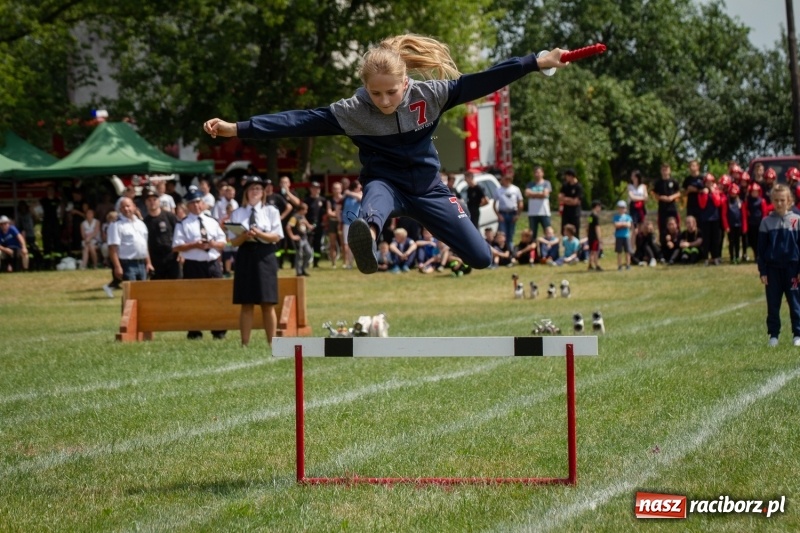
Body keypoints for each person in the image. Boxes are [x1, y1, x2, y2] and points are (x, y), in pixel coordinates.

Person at [203, 34, 569, 274]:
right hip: (386, 184)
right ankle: (369, 238)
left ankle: (387, 233)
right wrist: (239, 128)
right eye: (375, 94)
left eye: (391, 92)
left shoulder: (431, 94)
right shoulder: (352, 111)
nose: (383, 102)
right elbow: (297, 120)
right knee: (375, 195)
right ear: (365, 88)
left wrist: (534, 63)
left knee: (482, 258)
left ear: (405, 82)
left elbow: (483, 80)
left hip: (430, 190)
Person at [228, 176, 284, 346]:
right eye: (252, 188)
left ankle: (272, 343)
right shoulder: (238, 212)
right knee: (246, 302)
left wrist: (259, 234)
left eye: (258, 189)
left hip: (265, 256)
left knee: (267, 302)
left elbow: (276, 236)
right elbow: (233, 241)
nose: (255, 192)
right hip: (245, 255)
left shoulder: (271, 211)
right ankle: (244, 343)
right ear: (246, 192)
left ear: (263, 193)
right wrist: (244, 236)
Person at [172, 188, 227, 340]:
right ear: (187, 206)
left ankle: (219, 330)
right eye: (192, 203)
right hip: (193, 264)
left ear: (203, 203)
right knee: (193, 298)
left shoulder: (212, 221)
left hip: (212, 263)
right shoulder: (183, 224)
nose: (196, 206)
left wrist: (213, 244)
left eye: (198, 202)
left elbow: (223, 243)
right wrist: (194, 245)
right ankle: (194, 330)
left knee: (217, 297)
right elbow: (176, 246)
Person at [757, 184, 800, 347]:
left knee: (795, 303)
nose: (779, 203)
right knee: (773, 304)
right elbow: (761, 250)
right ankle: (773, 335)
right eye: (776, 200)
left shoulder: (797, 221)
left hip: (793, 271)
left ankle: (798, 334)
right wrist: (763, 271)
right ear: (772, 201)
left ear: (789, 201)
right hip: (773, 271)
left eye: (782, 200)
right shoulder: (766, 223)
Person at [107, 197, 152, 293]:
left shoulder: (140, 224)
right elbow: (112, 248)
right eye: (123, 207)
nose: (126, 209)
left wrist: (148, 263)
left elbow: (144, 245)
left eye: (128, 206)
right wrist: (117, 266)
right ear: (120, 210)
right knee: (131, 294)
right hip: (128, 264)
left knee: (143, 293)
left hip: (142, 264)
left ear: (134, 207)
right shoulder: (116, 225)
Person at [142, 186, 180, 280]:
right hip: (155, 260)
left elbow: (179, 235)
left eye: (154, 199)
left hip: (172, 258)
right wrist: (148, 262)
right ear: (145, 202)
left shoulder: (169, 216)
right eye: (149, 200)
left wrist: (181, 253)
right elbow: (144, 243)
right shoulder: (144, 222)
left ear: (159, 201)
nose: (152, 202)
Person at [651, 162, 681, 243]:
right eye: (663, 170)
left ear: (669, 170)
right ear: (661, 171)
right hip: (662, 208)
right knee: (663, 227)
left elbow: (679, 193)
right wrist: (661, 198)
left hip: (672, 208)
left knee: (675, 225)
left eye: (666, 169)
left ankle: (677, 243)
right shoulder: (658, 182)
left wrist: (671, 197)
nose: (665, 171)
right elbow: (653, 193)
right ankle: (663, 244)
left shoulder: (673, 181)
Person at [286, 202, 314, 276]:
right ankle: (298, 272)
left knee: (309, 253)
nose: (306, 211)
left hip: (304, 238)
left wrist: (309, 226)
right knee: (299, 255)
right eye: (305, 210)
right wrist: (292, 236)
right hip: (298, 240)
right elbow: (288, 227)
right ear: (301, 210)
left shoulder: (302, 216)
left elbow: (305, 223)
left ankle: (303, 269)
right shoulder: (294, 217)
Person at [304, 181, 328, 268]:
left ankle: (316, 263)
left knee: (317, 244)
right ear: (310, 189)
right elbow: (303, 214)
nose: (316, 190)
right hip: (309, 225)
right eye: (314, 188)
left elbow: (327, 213)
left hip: (319, 226)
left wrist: (325, 222)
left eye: (317, 188)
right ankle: (306, 262)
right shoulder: (306, 200)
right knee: (308, 244)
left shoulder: (323, 200)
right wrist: (307, 225)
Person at [494, 174, 524, 241]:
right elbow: (494, 204)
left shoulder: (515, 189)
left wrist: (517, 215)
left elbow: (520, 202)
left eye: (508, 179)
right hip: (502, 213)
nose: (507, 181)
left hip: (512, 213)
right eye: (505, 179)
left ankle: (510, 248)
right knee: (502, 234)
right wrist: (498, 215)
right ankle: (504, 248)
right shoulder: (498, 190)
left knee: (510, 234)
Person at [525, 165, 552, 240]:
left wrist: (533, 194)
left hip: (544, 212)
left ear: (542, 173)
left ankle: (548, 250)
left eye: (539, 172)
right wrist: (540, 194)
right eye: (535, 173)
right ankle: (534, 251)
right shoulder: (530, 184)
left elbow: (545, 194)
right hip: (533, 213)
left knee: (548, 233)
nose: (537, 174)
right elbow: (527, 193)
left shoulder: (546, 183)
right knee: (532, 235)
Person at [341, 180, 363, 269]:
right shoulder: (347, 197)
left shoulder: (359, 194)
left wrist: (348, 192)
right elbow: (340, 199)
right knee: (348, 244)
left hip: (356, 223)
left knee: (357, 244)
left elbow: (360, 198)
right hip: (346, 223)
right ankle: (349, 264)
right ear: (355, 187)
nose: (360, 188)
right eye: (359, 186)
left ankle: (359, 262)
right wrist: (346, 193)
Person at [743, 182, 767, 262]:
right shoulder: (748, 201)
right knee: (753, 241)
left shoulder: (762, 201)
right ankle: (756, 255)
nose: (754, 193)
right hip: (751, 224)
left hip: (759, 224)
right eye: (753, 192)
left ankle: (760, 256)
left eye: (756, 191)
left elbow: (764, 213)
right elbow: (745, 213)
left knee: (760, 241)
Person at [721, 183, 744, 264]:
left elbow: (743, 215)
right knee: (731, 242)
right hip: (730, 226)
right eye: (731, 193)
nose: (733, 194)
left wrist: (743, 226)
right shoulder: (726, 202)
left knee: (738, 242)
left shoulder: (740, 202)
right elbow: (724, 215)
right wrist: (726, 226)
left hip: (738, 225)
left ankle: (737, 257)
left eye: (734, 193)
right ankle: (732, 257)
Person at [558, 168, 583, 237]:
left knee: (575, 231)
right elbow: (560, 198)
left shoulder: (578, 187)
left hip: (574, 213)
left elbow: (575, 202)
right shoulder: (565, 185)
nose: (566, 178)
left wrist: (565, 199)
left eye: (567, 176)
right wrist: (569, 200)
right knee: (564, 231)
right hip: (566, 212)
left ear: (571, 176)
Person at [326, 181, 344, 267]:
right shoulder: (329, 200)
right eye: (335, 188)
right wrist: (338, 213)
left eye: (338, 188)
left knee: (343, 243)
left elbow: (345, 212)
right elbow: (329, 213)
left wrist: (335, 213)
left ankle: (345, 263)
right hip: (332, 223)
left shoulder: (344, 199)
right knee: (332, 244)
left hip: (341, 223)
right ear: (332, 190)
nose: (337, 190)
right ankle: (333, 263)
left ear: (341, 189)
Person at [613, 200, 632, 270]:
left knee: (627, 251)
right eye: (620, 208)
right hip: (618, 236)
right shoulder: (615, 217)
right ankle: (619, 265)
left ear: (625, 209)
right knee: (619, 252)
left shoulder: (628, 217)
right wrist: (624, 224)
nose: (622, 209)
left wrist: (620, 224)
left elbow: (629, 225)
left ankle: (628, 264)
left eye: (623, 208)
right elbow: (616, 225)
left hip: (626, 236)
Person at [587, 200, 603, 271]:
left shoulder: (590, 215)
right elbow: (597, 227)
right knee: (595, 251)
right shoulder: (596, 217)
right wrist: (599, 238)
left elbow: (588, 226)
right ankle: (597, 265)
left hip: (590, 236)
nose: (600, 208)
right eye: (599, 207)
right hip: (595, 237)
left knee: (591, 251)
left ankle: (590, 264)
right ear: (596, 207)